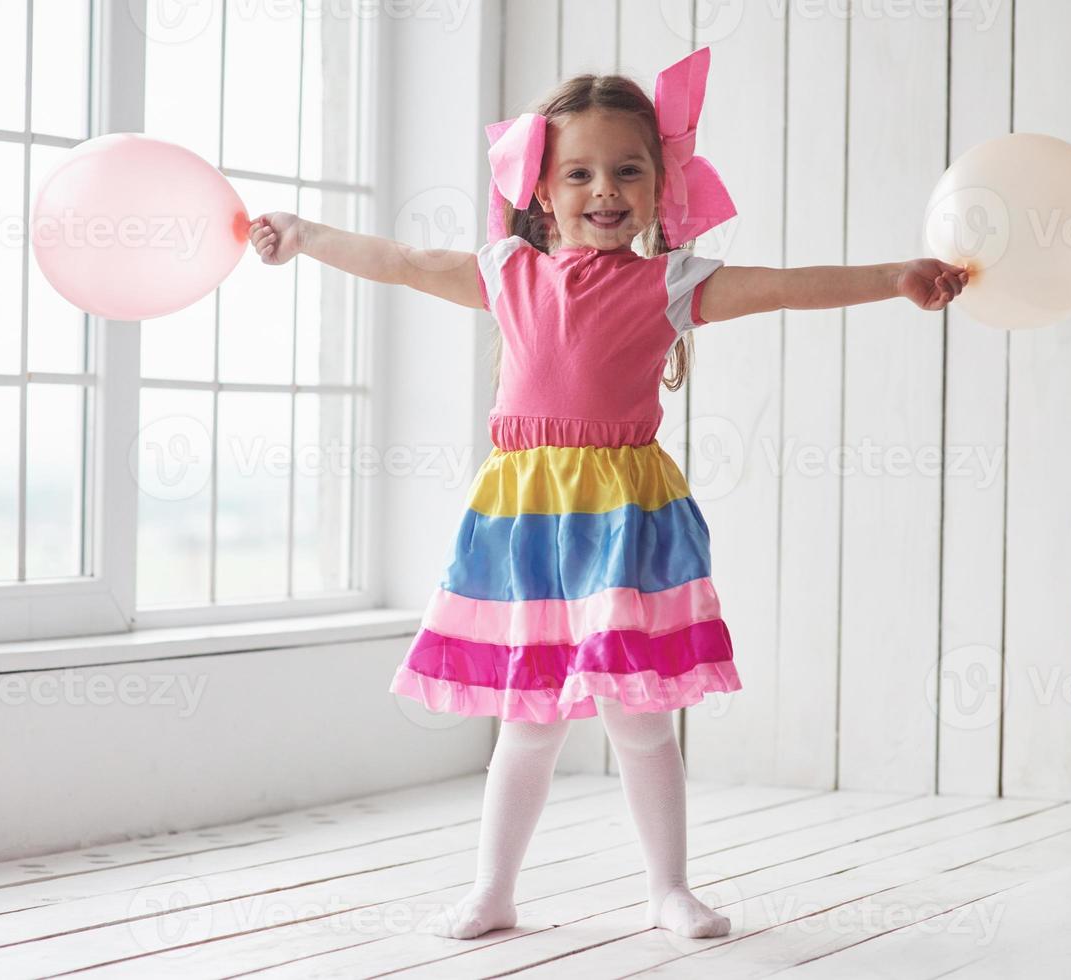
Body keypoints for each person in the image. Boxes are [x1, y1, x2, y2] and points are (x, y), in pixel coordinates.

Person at [247, 46, 967, 942]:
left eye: (627, 169)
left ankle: (668, 887)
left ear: (660, 187)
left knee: (639, 721)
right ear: (540, 190)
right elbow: (396, 259)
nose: (604, 189)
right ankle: (493, 890)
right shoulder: (505, 273)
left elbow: (784, 288)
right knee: (529, 721)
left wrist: (892, 279)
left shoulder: (669, 284)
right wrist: (305, 233)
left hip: (626, 518)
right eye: (578, 171)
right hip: (525, 522)